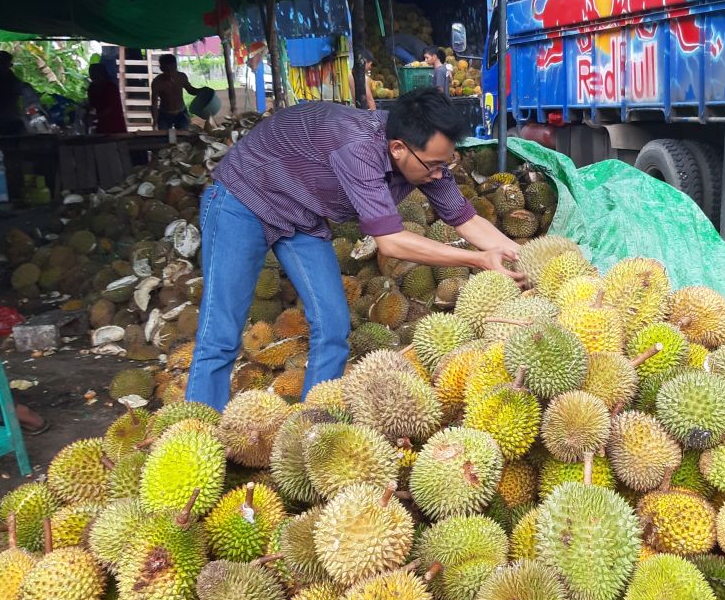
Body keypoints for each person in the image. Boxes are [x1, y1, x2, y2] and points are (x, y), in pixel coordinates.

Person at [186, 87, 524, 411]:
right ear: (397, 149)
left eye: (444, 164)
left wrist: (524, 260)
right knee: (221, 334)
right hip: (242, 198)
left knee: (333, 326)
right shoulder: (357, 148)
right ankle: (199, 432)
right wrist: (477, 259)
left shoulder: (425, 162)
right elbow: (391, 241)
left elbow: (465, 218)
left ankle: (315, 423)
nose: (439, 175)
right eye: (433, 164)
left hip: (302, 215)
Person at [150, 53, 199, 131]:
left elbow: (191, 90)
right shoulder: (157, 82)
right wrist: (155, 121)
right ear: (161, 68)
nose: (170, 74)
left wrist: (202, 91)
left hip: (181, 113)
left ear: (175, 66)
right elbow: (154, 104)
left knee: (184, 136)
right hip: (164, 114)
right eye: (167, 71)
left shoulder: (182, 77)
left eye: (172, 70)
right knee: (164, 137)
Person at [85, 63, 127, 135]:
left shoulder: (111, 88)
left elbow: (109, 109)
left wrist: (94, 117)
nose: (94, 78)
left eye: (96, 76)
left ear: (103, 75)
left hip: (115, 125)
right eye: (93, 76)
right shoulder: (92, 88)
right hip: (102, 126)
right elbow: (92, 105)